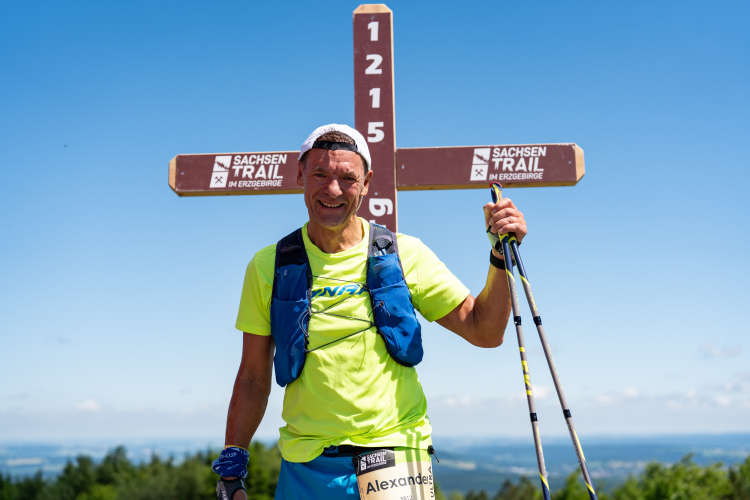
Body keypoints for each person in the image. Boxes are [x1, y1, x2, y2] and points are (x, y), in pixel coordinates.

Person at [212, 124, 527, 500]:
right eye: (320, 174)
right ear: (299, 174)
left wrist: (499, 257)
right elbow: (252, 376)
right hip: (306, 465)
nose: (332, 190)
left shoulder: (405, 253)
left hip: (395, 455)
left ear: (366, 183)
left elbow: (485, 331)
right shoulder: (268, 266)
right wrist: (231, 468)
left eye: (348, 178)